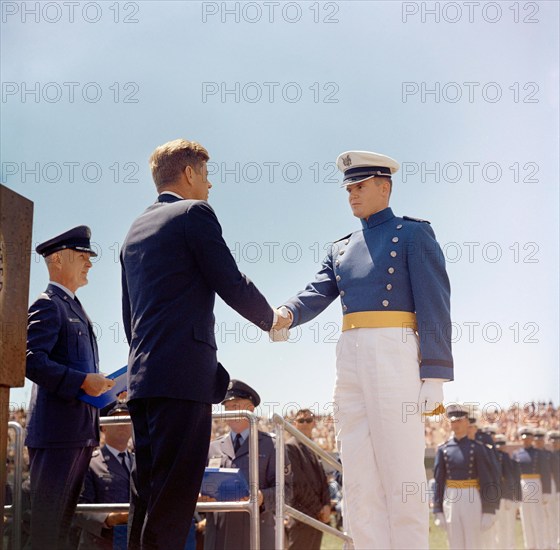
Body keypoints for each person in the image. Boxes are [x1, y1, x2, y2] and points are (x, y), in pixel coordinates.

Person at [273, 150, 453, 549]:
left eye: (360, 187)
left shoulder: (412, 234)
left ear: (384, 187)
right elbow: (317, 291)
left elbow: (435, 303)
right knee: (356, 468)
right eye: (348, 189)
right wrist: (287, 312)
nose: (352, 195)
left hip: (395, 350)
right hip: (350, 352)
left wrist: (435, 374)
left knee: (401, 465)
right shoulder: (341, 247)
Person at [120, 139, 290, 549]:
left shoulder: (134, 230)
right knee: (175, 500)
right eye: (207, 176)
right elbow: (229, 278)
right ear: (190, 174)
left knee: (147, 495)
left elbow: (130, 316)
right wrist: (272, 320)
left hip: (144, 379)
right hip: (182, 380)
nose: (210, 186)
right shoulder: (194, 213)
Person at [25, 226, 115, 549]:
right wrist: (82, 381)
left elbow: (83, 376)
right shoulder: (48, 304)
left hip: (78, 434)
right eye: (82, 256)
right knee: (47, 532)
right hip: (57, 436)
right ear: (59, 260)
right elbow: (31, 361)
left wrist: (109, 393)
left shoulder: (76, 309)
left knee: (59, 532)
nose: (89, 263)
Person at [203, 380, 281, 550]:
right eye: (227, 408)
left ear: (250, 409)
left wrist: (261, 497)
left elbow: (286, 491)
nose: (230, 412)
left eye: (235, 406)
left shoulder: (272, 445)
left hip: (256, 534)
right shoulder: (212, 447)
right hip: (219, 536)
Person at [432, 404, 497, 550]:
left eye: (459, 421)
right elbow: (439, 481)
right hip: (451, 497)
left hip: (471, 496)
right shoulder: (443, 449)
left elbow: (487, 480)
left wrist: (489, 509)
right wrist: (437, 509)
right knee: (454, 542)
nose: (456, 424)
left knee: (473, 542)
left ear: (467, 422)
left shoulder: (478, 448)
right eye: (453, 421)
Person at [74, 401, 133, 549]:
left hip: (133, 540)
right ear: (103, 426)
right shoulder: (89, 463)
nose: (123, 424)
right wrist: (109, 518)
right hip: (101, 542)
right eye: (117, 419)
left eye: (127, 419)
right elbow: (80, 507)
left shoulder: (141, 464)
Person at [285, 409, 331, 550]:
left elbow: (323, 480)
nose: (305, 423)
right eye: (301, 420)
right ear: (294, 424)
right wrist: (319, 509)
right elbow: (297, 483)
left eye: (308, 420)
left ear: (314, 423)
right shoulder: (290, 447)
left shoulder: (313, 448)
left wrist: (327, 505)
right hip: (302, 517)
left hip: (317, 518)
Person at [512, 427, 545, 550]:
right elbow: (515, 476)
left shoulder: (538, 453)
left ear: (532, 438)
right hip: (522, 484)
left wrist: (546, 492)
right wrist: (516, 494)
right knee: (525, 518)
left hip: (536, 483)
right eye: (523, 438)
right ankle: (529, 545)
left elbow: (545, 473)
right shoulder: (516, 454)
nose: (526, 440)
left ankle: (540, 545)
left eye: (528, 438)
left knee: (537, 517)